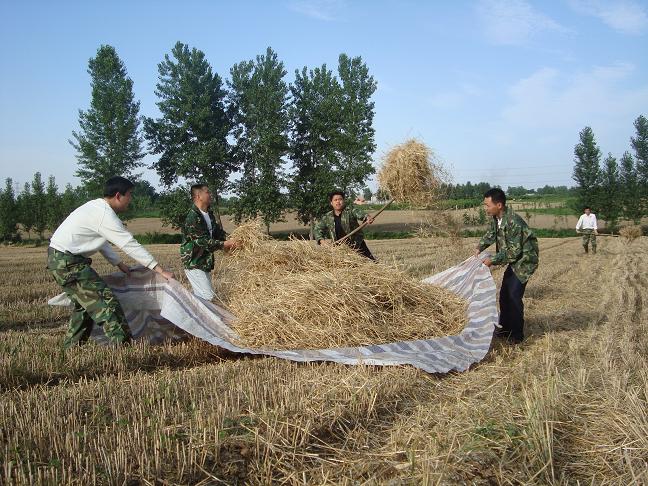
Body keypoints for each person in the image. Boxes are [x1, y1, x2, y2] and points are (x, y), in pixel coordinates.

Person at [47, 176, 175, 349]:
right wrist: (159, 269)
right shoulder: (104, 214)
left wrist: (118, 263)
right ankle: (124, 350)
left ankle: (71, 349)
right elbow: (129, 244)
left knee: (85, 307)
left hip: (62, 259)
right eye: (129, 195)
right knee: (107, 303)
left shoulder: (96, 208)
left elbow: (101, 240)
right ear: (118, 195)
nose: (131, 199)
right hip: (68, 263)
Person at [474, 188, 539, 344]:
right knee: (504, 294)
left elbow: (513, 252)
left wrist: (492, 260)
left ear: (499, 205)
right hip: (515, 259)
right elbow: (491, 234)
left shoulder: (513, 222)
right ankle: (504, 329)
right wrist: (479, 248)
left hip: (524, 260)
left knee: (513, 296)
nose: (486, 208)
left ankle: (517, 335)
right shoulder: (497, 218)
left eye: (488, 205)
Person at [180, 184, 237, 300]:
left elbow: (217, 233)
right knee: (208, 297)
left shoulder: (208, 214)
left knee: (201, 298)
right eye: (207, 192)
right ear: (198, 196)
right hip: (194, 262)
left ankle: (195, 317)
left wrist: (234, 238)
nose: (210, 195)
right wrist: (225, 244)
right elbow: (203, 241)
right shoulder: (192, 217)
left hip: (203, 261)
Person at [313, 190, 376, 260]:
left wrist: (367, 217)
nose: (338, 202)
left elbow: (360, 214)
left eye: (340, 199)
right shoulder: (327, 217)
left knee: (372, 264)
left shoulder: (350, 211)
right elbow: (317, 229)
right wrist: (321, 241)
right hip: (339, 249)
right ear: (331, 203)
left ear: (343, 201)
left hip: (357, 245)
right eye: (335, 200)